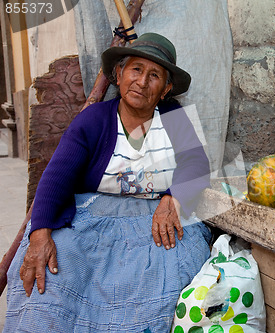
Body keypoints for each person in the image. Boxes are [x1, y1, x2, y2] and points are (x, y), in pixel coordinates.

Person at [3, 33, 212, 332]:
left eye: (154, 75)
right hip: (92, 220)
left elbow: (196, 165)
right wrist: (40, 234)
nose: (142, 81)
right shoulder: (95, 119)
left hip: (154, 219)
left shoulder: (174, 117)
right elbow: (57, 175)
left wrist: (173, 199)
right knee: (55, 275)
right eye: (136, 70)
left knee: (171, 277)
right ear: (119, 74)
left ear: (165, 89)